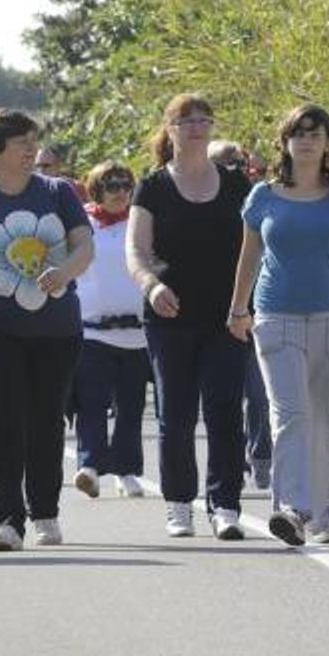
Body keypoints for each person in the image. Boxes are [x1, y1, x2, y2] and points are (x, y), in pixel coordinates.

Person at [228, 105, 329, 546]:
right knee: (290, 414)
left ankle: (322, 517)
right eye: (298, 132)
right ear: (285, 142)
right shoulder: (264, 195)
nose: (306, 140)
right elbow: (250, 254)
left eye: (316, 134)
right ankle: (292, 510)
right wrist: (239, 308)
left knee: (322, 417)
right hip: (276, 316)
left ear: (327, 143)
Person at [0, 108, 94, 552]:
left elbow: (84, 245)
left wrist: (65, 271)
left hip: (56, 328)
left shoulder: (58, 192)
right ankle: (7, 519)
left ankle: (45, 510)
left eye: (33, 140)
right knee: (1, 421)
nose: (31, 149)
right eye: (20, 142)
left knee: (47, 420)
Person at [126, 93, 249, 541]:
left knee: (224, 410)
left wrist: (245, 304)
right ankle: (180, 504)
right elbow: (136, 250)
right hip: (169, 315)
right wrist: (152, 285)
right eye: (187, 120)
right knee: (175, 414)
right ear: (170, 129)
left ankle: (226, 505)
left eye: (204, 120)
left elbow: (256, 247)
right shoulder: (153, 186)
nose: (197, 127)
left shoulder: (238, 185)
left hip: (228, 315)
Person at [72, 160, 150, 500]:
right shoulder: (81, 225)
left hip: (137, 334)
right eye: (111, 186)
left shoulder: (141, 224)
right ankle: (89, 465)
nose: (120, 193)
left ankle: (127, 470)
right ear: (96, 190)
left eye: (125, 185)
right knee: (91, 402)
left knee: (130, 407)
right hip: (92, 333)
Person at [208, 140, 273, 489]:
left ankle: (261, 455)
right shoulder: (200, 204)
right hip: (215, 318)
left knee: (260, 395)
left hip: (257, 311)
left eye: (237, 162)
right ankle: (232, 464)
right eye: (223, 163)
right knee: (226, 398)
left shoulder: (259, 201)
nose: (232, 169)